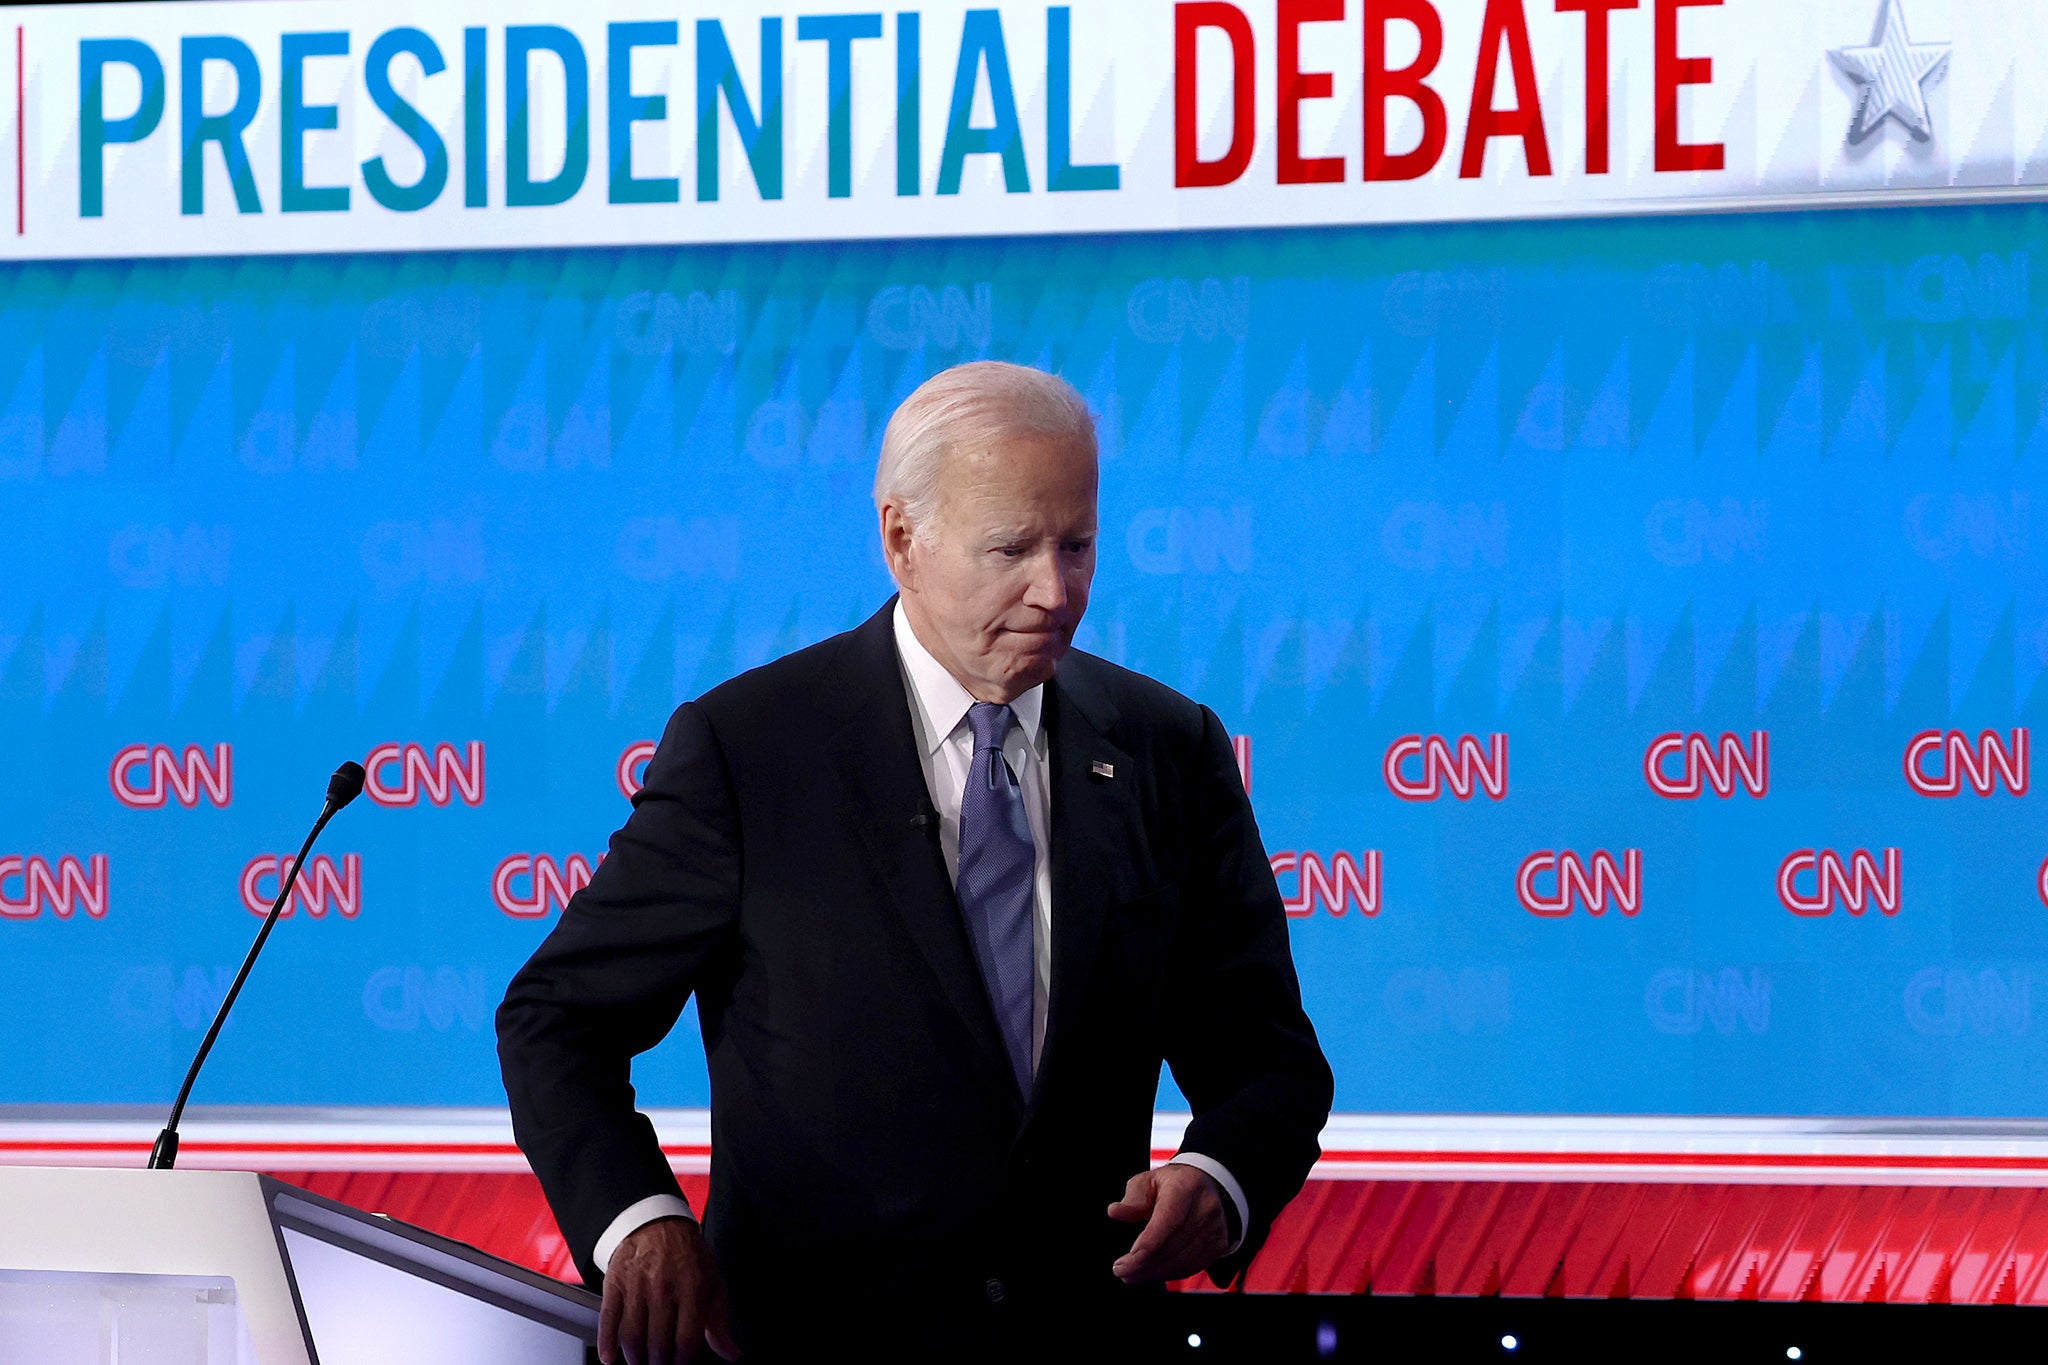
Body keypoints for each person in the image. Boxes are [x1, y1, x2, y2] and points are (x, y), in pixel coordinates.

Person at [497, 360, 1333, 1362]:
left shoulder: (1168, 748)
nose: (1054, 589)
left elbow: (1268, 1066)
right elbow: (558, 1023)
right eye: (1010, 548)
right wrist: (637, 1218)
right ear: (900, 538)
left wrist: (1219, 1179)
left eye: (1077, 544)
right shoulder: (751, 749)